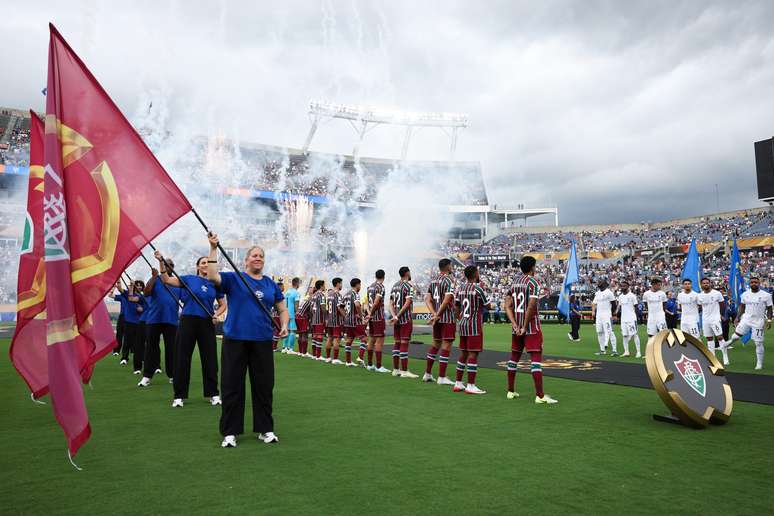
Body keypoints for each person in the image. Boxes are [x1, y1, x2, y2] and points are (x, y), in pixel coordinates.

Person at [206, 233, 289, 448]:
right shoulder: (235, 278)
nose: (258, 258)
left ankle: (265, 429)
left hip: (262, 341)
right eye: (254, 255)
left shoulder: (271, 284)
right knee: (232, 386)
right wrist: (213, 248)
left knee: (263, 386)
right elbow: (212, 276)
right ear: (246, 260)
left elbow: (282, 309)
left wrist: (286, 324)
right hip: (235, 340)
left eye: (261, 255)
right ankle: (230, 432)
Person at [156, 251, 227, 408]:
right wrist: (161, 262)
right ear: (197, 266)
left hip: (206, 322)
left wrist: (216, 315)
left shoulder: (215, 284)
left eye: (208, 263)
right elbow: (166, 279)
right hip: (188, 320)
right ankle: (179, 396)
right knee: (182, 358)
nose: (206, 265)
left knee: (210, 359)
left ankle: (213, 394)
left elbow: (223, 304)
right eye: (203, 263)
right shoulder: (188, 279)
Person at [505, 256, 557, 404]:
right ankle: (540, 396)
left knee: (514, 357)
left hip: (516, 328)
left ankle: (510, 391)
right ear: (533, 267)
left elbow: (507, 306)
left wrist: (515, 324)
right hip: (531, 326)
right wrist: (524, 325)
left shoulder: (514, 282)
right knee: (535, 359)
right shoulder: (533, 282)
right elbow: (531, 306)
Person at [138, 263, 181, 388]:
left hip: (171, 319)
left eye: (171, 265)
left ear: (173, 268)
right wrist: (153, 277)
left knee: (171, 348)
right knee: (151, 348)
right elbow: (145, 293)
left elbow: (185, 298)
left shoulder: (177, 281)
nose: (169, 266)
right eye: (166, 264)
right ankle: (147, 376)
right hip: (154, 319)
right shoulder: (155, 279)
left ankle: (172, 375)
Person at [452, 265, 491, 394]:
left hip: (463, 324)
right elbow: (488, 306)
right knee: (473, 354)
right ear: (475, 274)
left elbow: (456, 308)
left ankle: (458, 383)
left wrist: (459, 319)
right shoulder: (479, 289)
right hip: (474, 325)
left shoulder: (460, 289)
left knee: (463, 353)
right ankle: (471, 385)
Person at [727, 275, 772, 370]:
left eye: (756, 282)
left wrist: (769, 320)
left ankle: (759, 364)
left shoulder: (766, 295)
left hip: (758, 321)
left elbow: (769, 308)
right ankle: (727, 344)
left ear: (759, 283)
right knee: (735, 336)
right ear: (749, 284)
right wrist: (737, 317)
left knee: (758, 343)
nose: (754, 284)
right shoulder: (745, 294)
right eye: (752, 282)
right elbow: (742, 307)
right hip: (746, 319)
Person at [423, 258, 456, 385]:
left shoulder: (433, 281)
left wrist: (434, 314)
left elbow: (427, 299)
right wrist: (437, 314)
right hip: (446, 317)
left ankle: (427, 373)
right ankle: (442, 377)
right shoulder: (449, 280)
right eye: (451, 265)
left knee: (435, 344)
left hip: (437, 318)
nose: (452, 267)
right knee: (446, 345)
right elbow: (447, 300)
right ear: (447, 266)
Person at [388, 266, 417, 378]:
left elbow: (390, 303)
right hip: (405, 318)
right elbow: (408, 302)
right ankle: (404, 371)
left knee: (397, 342)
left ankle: (396, 370)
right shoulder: (408, 286)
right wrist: (398, 315)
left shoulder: (394, 285)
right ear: (407, 273)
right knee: (404, 343)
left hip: (397, 319)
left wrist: (394, 315)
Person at [697, 278, 729, 365]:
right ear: (701, 285)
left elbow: (723, 305)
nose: (706, 284)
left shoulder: (717, 293)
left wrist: (721, 315)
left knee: (720, 337)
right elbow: (700, 307)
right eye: (704, 283)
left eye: (707, 283)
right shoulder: (700, 295)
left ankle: (725, 357)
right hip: (705, 319)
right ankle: (713, 358)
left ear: (710, 283)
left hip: (715, 319)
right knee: (709, 338)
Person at [364, 270, 389, 373]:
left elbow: (366, 302)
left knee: (372, 339)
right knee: (379, 341)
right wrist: (371, 313)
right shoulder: (380, 287)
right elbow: (376, 302)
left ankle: (370, 364)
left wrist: (369, 313)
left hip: (372, 318)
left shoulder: (370, 287)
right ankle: (379, 366)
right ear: (384, 276)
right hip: (378, 317)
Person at [616, 281, 641, 357]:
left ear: (628, 286)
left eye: (624, 286)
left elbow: (636, 306)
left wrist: (636, 317)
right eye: (622, 286)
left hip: (631, 318)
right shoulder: (620, 296)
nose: (622, 287)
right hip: (623, 319)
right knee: (624, 335)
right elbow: (619, 307)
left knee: (634, 335)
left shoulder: (632, 296)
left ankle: (638, 352)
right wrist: (616, 313)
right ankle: (626, 351)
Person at [591, 281, 617, 355]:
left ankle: (614, 350)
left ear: (605, 285)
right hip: (599, 315)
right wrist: (593, 311)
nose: (599, 286)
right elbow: (594, 303)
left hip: (607, 315)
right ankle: (602, 350)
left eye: (601, 285)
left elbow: (614, 304)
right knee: (599, 332)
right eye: (599, 285)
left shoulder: (609, 293)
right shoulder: (597, 293)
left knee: (610, 331)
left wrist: (614, 314)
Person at [324, 278, 345, 364]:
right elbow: (340, 307)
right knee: (337, 339)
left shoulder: (329, 294)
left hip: (329, 320)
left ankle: (328, 358)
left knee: (329, 338)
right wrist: (345, 316)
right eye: (341, 283)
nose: (341, 285)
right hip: (336, 320)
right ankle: (335, 359)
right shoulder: (337, 295)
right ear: (337, 284)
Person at [308, 280, 327, 361]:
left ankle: (314, 354)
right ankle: (318, 356)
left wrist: (313, 316)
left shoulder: (314, 295)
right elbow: (323, 307)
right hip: (320, 318)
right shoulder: (321, 295)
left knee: (315, 336)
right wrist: (326, 317)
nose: (325, 286)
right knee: (319, 336)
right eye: (324, 285)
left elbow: (311, 308)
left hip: (314, 318)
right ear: (321, 286)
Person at [283, 278, 301, 354]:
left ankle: (284, 348)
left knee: (286, 329)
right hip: (291, 313)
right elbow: (296, 304)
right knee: (292, 330)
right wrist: (297, 312)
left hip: (285, 313)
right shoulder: (296, 293)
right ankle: (290, 349)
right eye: (299, 283)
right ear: (297, 284)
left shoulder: (287, 292)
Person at [295, 285, 313, 358]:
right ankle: (304, 352)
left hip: (298, 316)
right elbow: (311, 311)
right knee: (304, 334)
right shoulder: (311, 299)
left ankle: (300, 351)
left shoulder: (306, 297)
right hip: (302, 317)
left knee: (300, 334)